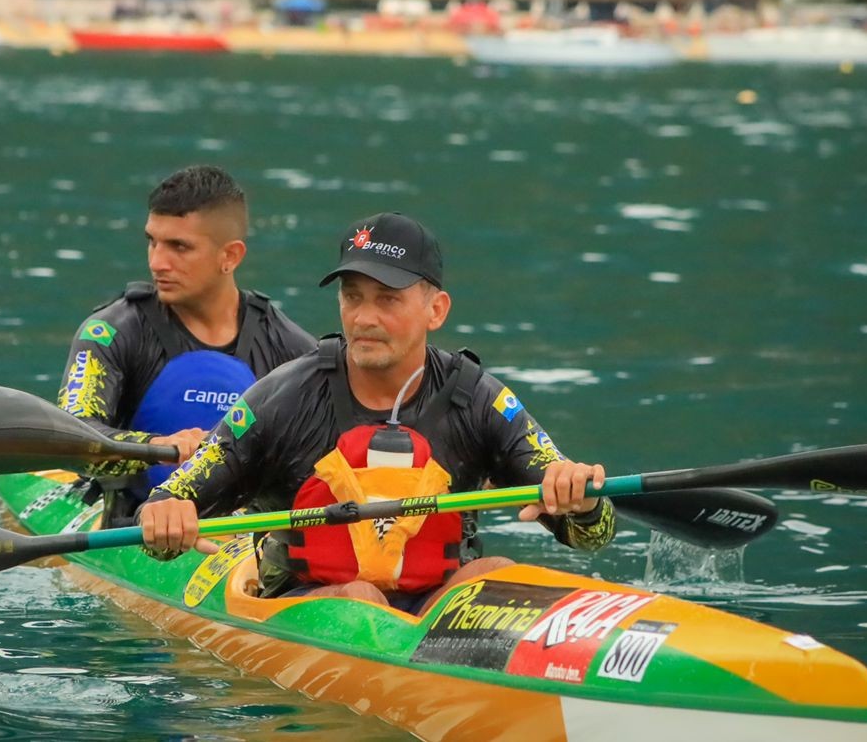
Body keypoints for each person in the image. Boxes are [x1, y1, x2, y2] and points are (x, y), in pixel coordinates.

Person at [138, 211, 614, 615]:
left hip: (437, 612)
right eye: (353, 297)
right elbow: (165, 503)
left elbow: (592, 534)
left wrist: (584, 501)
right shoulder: (282, 399)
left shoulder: (480, 401)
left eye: (388, 299)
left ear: (436, 310)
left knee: (496, 575)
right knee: (361, 597)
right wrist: (164, 518)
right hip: (304, 608)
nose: (364, 318)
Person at [56, 165, 317, 520]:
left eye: (179, 247)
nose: (157, 262)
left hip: (245, 535)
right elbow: (74, 440)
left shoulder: (292, 349)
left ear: (230, 256)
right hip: (132, 525)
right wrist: (156, 446)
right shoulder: (110, 333)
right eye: (152, 241)